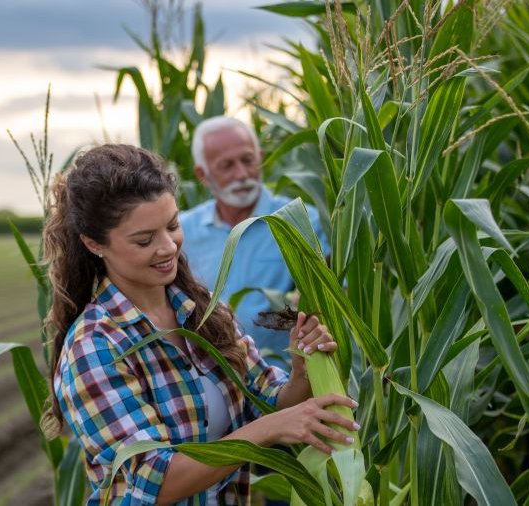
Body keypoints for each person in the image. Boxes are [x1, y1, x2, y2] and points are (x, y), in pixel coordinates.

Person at [42, 144, 357, 505]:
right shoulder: (94, 347)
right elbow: (153, 481)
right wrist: (269, 430)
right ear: (94, 243)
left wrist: (302, 371)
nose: (168, 247)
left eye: (173, 226)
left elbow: (269, 400)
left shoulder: (202, 312)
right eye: (144, 240)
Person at [181, 116, 330, 369]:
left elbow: (334, 299)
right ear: (202, 174)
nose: (241, 174)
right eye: (226, 165)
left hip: (283, 381)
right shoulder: (182, 231)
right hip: (210, 379)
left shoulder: (302, 222)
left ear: (260, 157)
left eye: (248, 160)